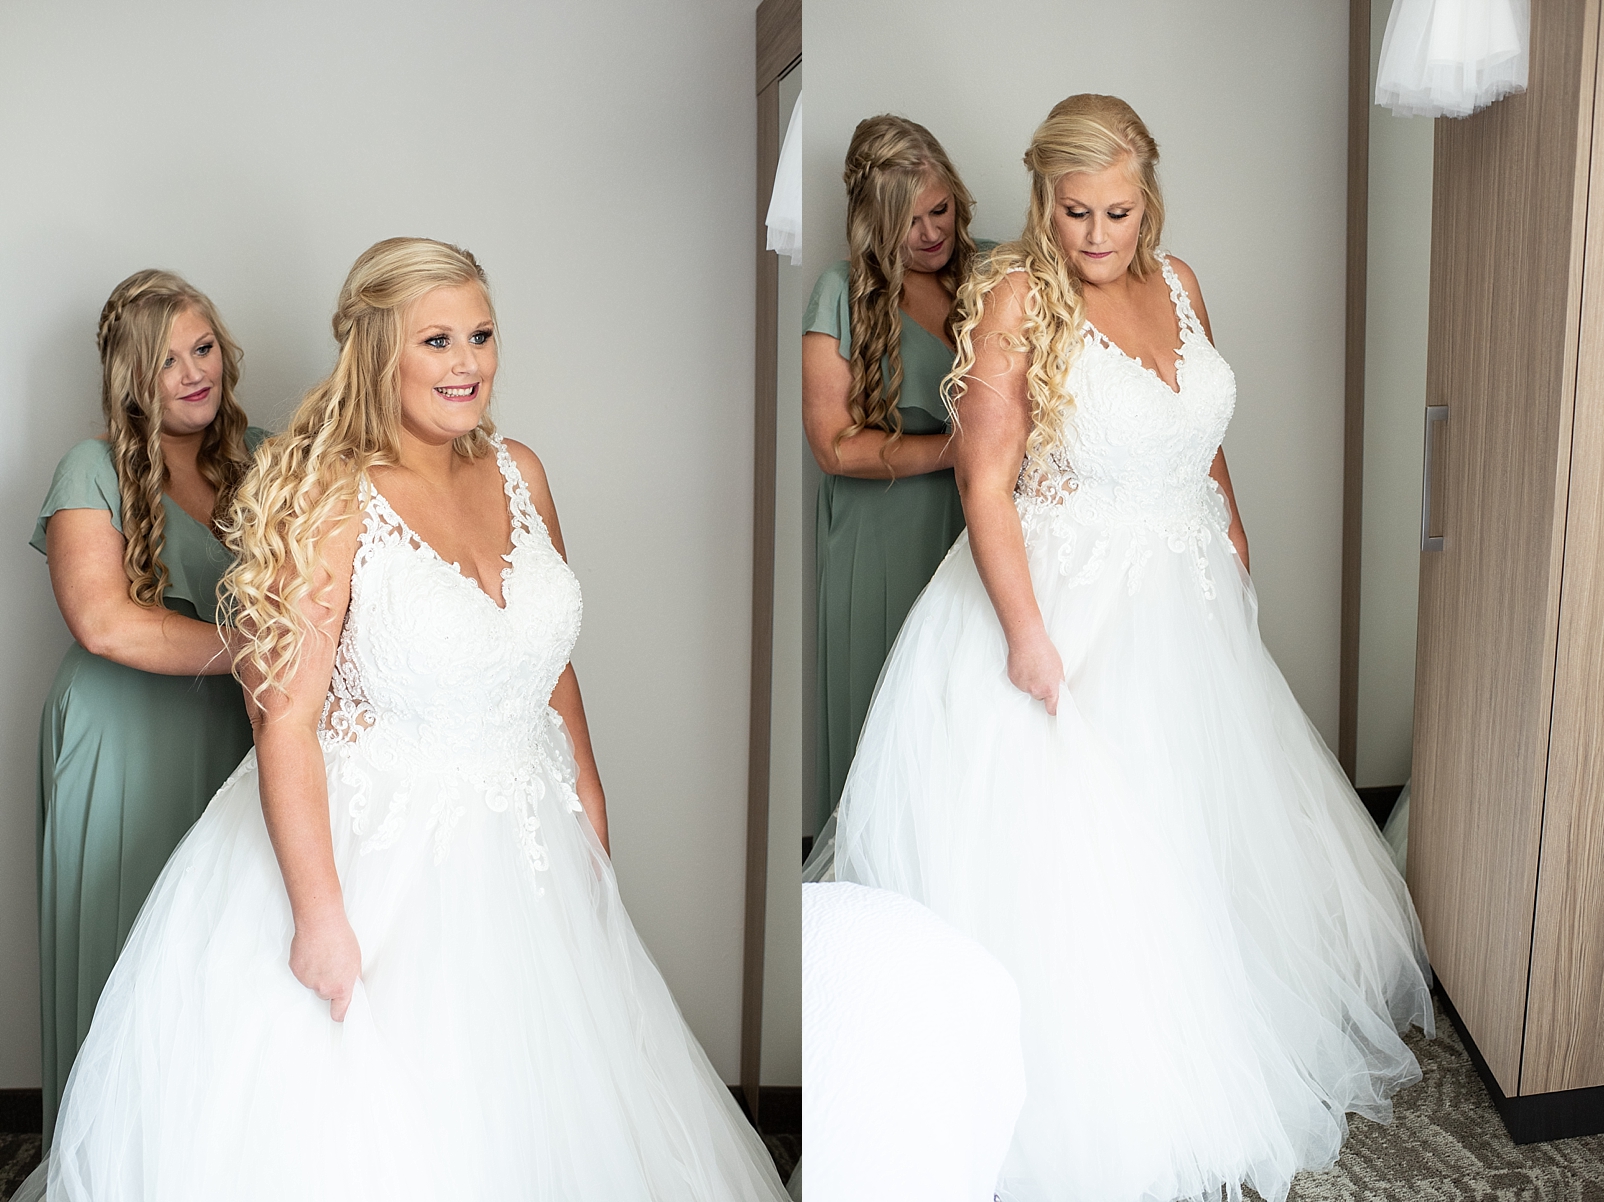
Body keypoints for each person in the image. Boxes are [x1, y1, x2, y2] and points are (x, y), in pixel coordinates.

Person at [36, 239, 789, 1201]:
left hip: (527, 839)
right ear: (379, 352)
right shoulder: (331, 493)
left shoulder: (522, 470)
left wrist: (590, 802)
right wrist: (320, 918)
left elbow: (547, 656)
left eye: (481, 334)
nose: (467, 362)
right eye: (437, 341)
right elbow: (285, 719)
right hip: (376, 853)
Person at [835, 95, 1433, 1202]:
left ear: (1145, 198)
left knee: (1191, 818)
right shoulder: (1017, 298)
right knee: (1089, 852)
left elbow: (1196, 431)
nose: (1098, 234)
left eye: (1117, 211)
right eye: (1076, 213)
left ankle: (1217, 1020)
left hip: (1185, 595)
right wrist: (1027, 637)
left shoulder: (1183, 284)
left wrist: (1235, 540)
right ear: (1044, 201)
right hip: (1069, 605)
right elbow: (984, 484)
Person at [32, 270, 265, 1146]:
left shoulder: (267, 458)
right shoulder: (89, 468)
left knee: (225, 958)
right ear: (131, 376)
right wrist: (258, 652)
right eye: (166, 361)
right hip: (120, 735)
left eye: (202, 349)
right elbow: (102, 622)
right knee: (124, 940)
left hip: (237, 733)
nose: (193, 373)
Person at [803, 115, 990, 838]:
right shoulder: (841, 290)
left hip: (978, 520)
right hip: (880, 532)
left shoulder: (993, 272)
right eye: (907, 221)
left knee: (970, 718)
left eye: (939, 209)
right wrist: (957, 450)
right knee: (882, 717)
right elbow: (833, 446)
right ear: (871, 223)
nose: (931, 232)